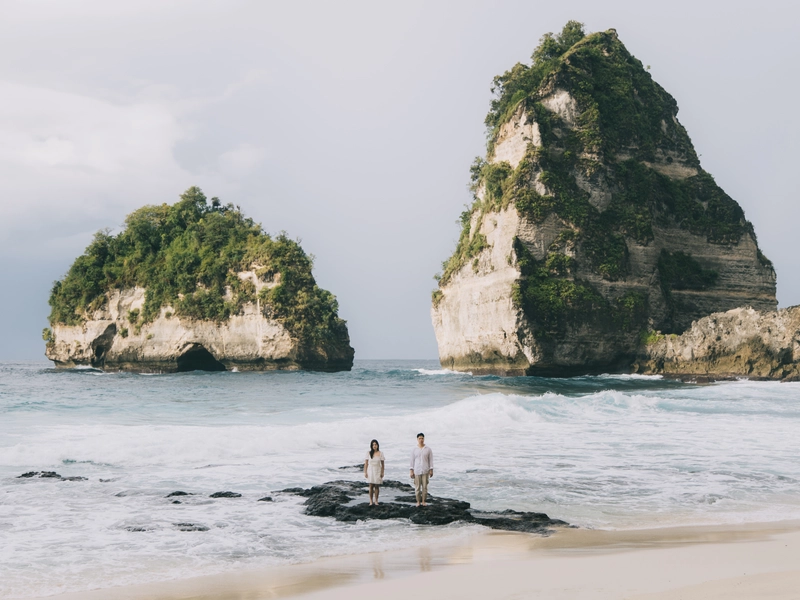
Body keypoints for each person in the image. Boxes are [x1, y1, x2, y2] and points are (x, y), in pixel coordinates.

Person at [409, 432, 433, 507]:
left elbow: (431, 460)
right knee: (417, 488)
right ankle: (418, 501)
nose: (421, 440)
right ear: (417, 439)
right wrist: (411, 470)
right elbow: (412, 460)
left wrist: (431, 470)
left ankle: (423, 501)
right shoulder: (414, 449)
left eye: (422, 438)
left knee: (425, 487)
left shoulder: (428, 449)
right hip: (417, 470)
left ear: (424, 439)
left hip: (425, 470)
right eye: (419, 438)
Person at [364, 439, 385, 505]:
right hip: (370, 470)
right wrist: (365, 472)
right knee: (371, 486)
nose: (374, 446)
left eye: (375, 444)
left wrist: (382, 472)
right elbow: (366, 463)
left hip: (377, 470)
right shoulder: (368, 453)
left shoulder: (380, 453)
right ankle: (370, 501)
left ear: (378, 445)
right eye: (373, 445)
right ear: (371, 446)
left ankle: (376, 500)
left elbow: (383, 464)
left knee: (377, 486)